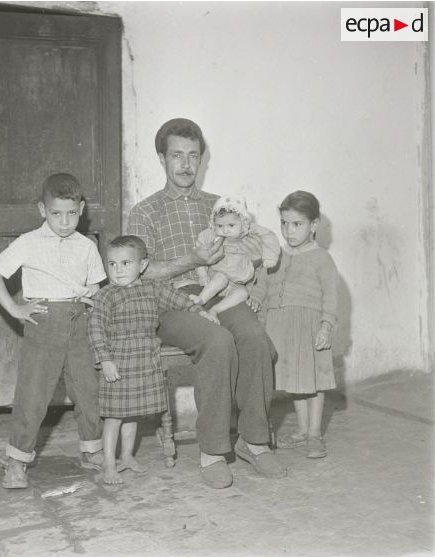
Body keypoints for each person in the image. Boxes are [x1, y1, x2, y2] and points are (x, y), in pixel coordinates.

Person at [127, 117, 287, 489]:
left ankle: (254, 440)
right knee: (217, 341)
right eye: (177, 156)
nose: (185, 164)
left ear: (202, 160)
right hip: (169, 301)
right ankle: (213, 450)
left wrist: (253, 278)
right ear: (162, 159)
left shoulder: (221, 206)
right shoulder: (145, 211)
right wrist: (194, 260)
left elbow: (253, 258)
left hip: (222, 292)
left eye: (193, 156)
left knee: (254, 339)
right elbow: (139, 273)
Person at [0, 173, 107, 488]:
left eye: (71, 213)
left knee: (88, 390)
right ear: (42, 209)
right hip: (45, 321)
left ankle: (92, 451)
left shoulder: (87, 245)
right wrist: (14, 309)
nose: (65, 221)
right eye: (56, 213)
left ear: (81, 208)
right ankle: (16, 461)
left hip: (80, 321)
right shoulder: (28, 242)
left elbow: (96, 283)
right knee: (33, 394)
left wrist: (91, 293)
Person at [87, 235, 216, 485]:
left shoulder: (152, 288)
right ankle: (110, 466)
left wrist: (200, 311)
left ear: (143, 265)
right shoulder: (105, 296)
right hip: (118, 363)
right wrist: (105, 360)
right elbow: (95, 330)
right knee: (114, 417)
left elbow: (179, 301)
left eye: (126, 263)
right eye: (112, 264)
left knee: (133, 414)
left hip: (143, 360)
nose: (118, 270)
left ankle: (127, 457)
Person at [248, 191, 338, 459]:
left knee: (313, 382)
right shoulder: (274, 255)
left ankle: (314, 434)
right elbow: (262, 283)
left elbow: (331, 297)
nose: (289, 231)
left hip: (309, 327)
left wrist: (325, 326)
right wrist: (254, 297)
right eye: (284, 224)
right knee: (295, 381)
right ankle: (301, 430)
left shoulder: (322, 259)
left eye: (296, 224)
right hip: (280, 325)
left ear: (314, 224)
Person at [190, 195, 280, 322]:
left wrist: (270, 257)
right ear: (213, 224)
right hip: (216, 277)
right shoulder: (211, 234)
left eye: (231, 225)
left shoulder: (249, 230)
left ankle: (214, 311)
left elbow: (269, 235)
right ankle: (201, 299)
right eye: (220, 226)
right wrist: (203, 275)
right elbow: (199, 252)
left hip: (236, 284)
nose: (225, 230)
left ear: (243, 222)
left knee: (243, 293)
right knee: (221, 278)